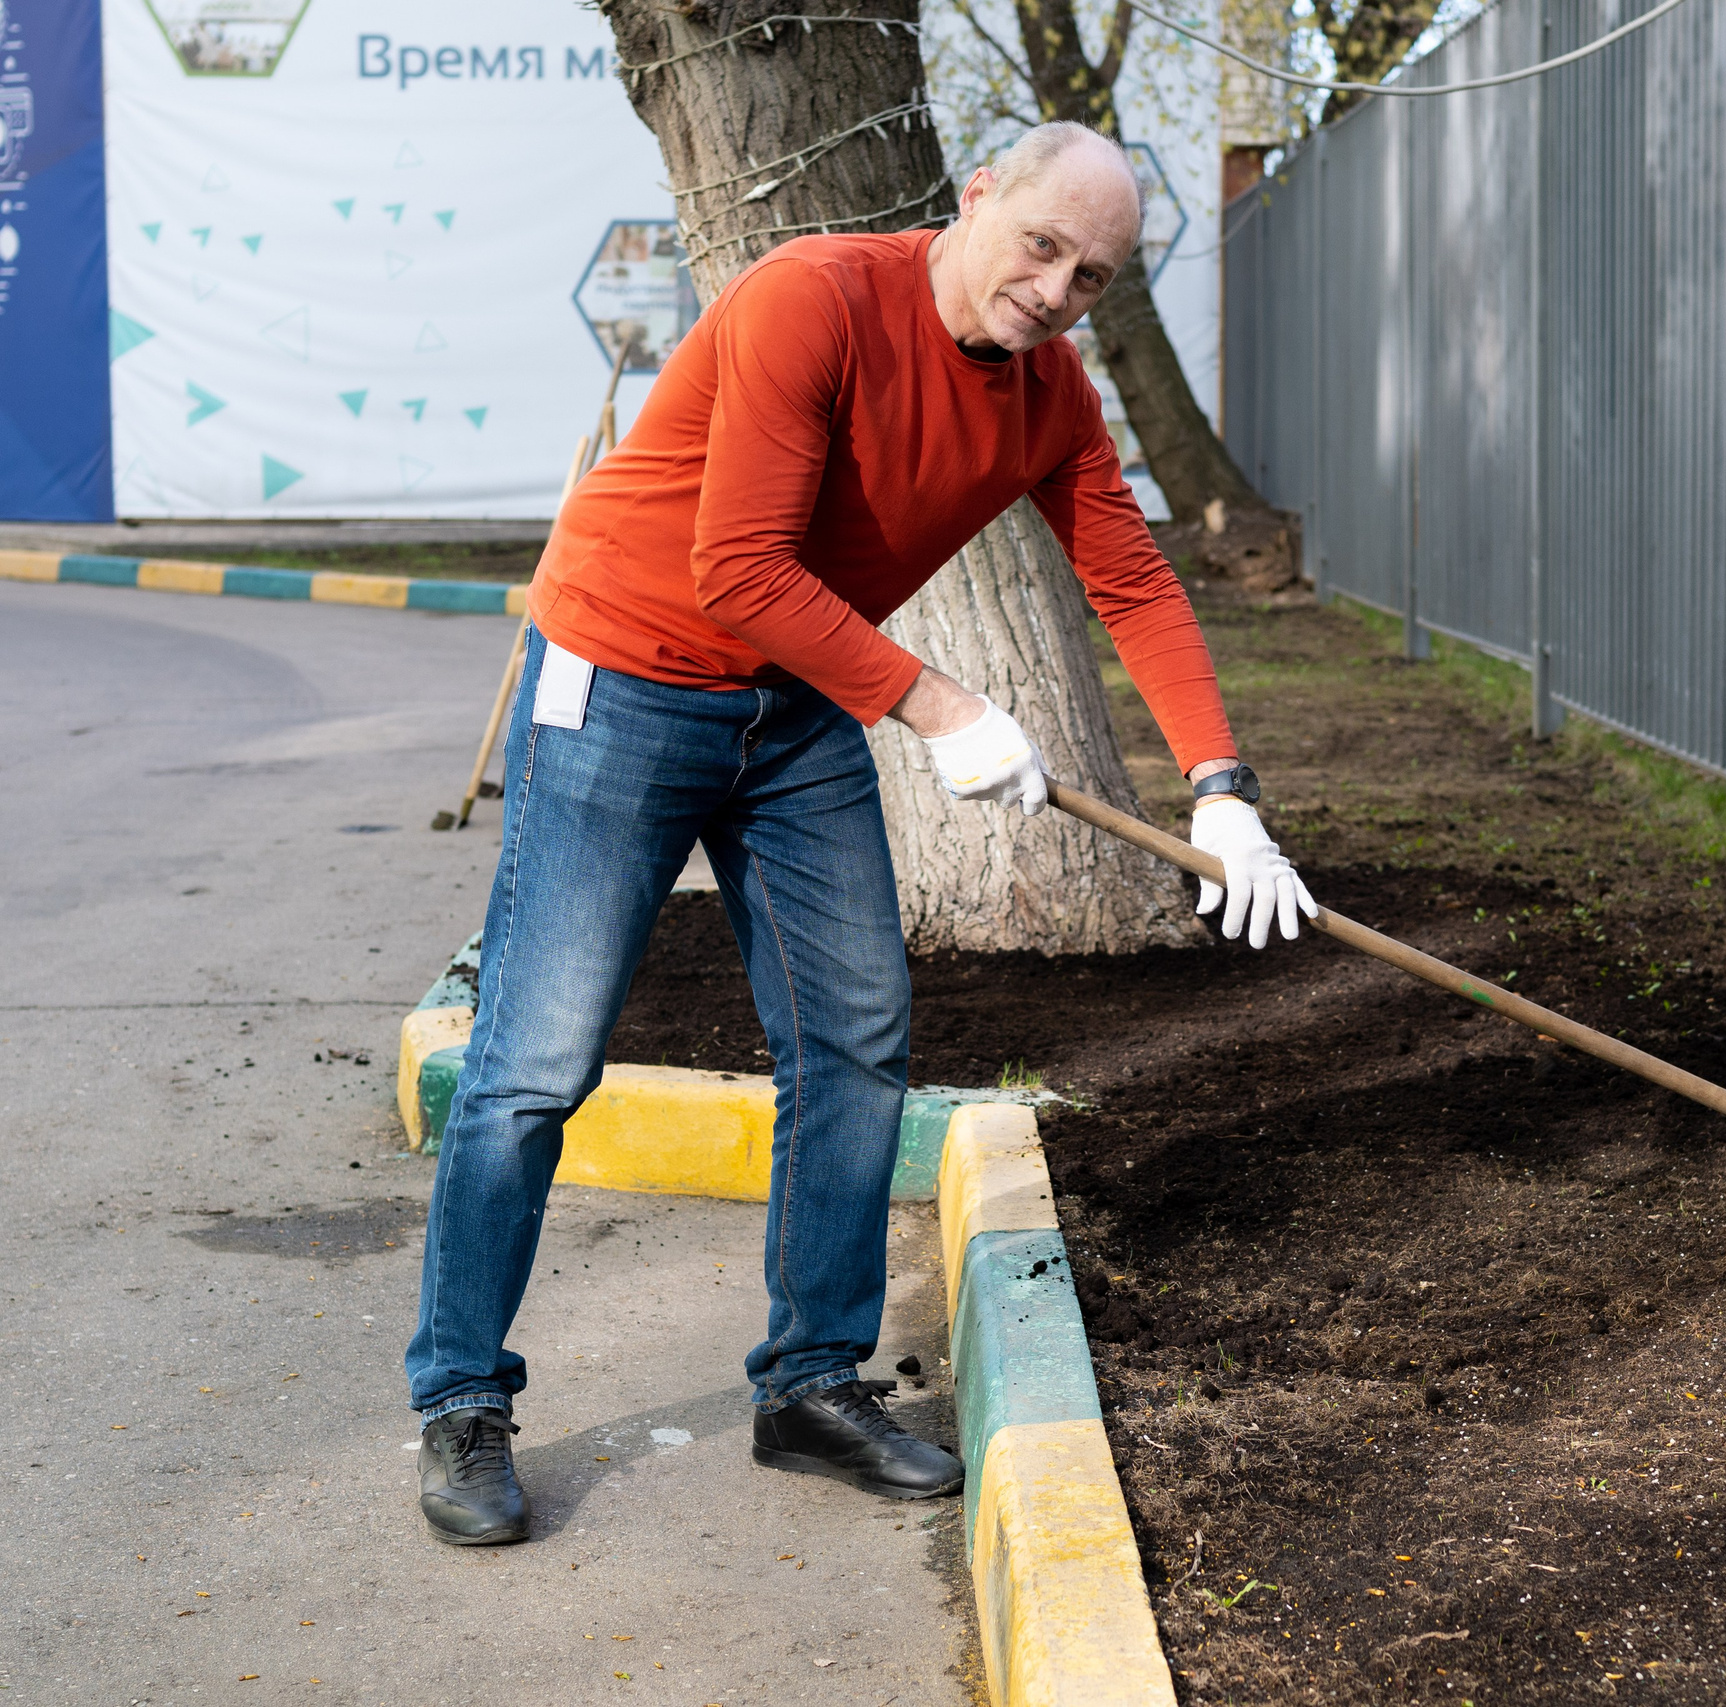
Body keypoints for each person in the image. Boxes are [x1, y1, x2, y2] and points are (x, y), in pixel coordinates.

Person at [406, 121, 1315, 1546]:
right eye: (1042, 246)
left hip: (795, 706)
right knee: (535, 1062)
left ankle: (811, 1385)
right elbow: (741, 565)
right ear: (977, 202)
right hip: (623, 681)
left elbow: (1132, 583)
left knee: (854, 1037)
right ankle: (461, 1399)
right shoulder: (814, 297)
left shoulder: (1050, 397)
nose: (1057, 289)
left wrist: (1222, 785)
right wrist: (944, 708)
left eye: (1092, 277)